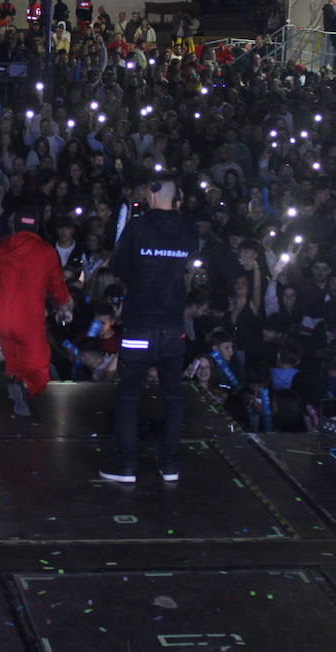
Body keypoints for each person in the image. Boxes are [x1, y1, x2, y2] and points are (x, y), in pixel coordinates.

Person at [100, 176, 197, 484]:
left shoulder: (139, 227)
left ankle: (127, 465)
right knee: (173, 396)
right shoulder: (187, 229)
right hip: (172, 330)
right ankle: (169, 464)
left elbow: (117, 268)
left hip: (140, 327)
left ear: (153, 195)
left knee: (129, 394)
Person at [0, 207, 73, 416]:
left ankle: (16, 385)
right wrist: (64, 303)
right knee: (38, 367)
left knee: (14, 360)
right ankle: (25, 387)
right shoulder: (45, 251)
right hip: (27, 320)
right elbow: (57, 285)